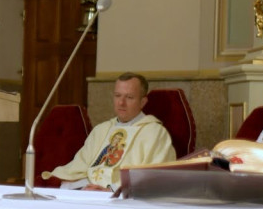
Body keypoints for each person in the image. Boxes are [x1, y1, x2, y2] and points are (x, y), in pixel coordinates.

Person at [42, 72, 175, 191]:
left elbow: (154, 180)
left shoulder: (154, 133)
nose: (121, 103)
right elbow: (78, 168)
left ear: (143, 102)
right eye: (117, 96)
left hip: (123, 201)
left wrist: (111, 191)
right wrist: (82, 187)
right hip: (89, 192)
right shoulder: (102, 129)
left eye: (129, 97)